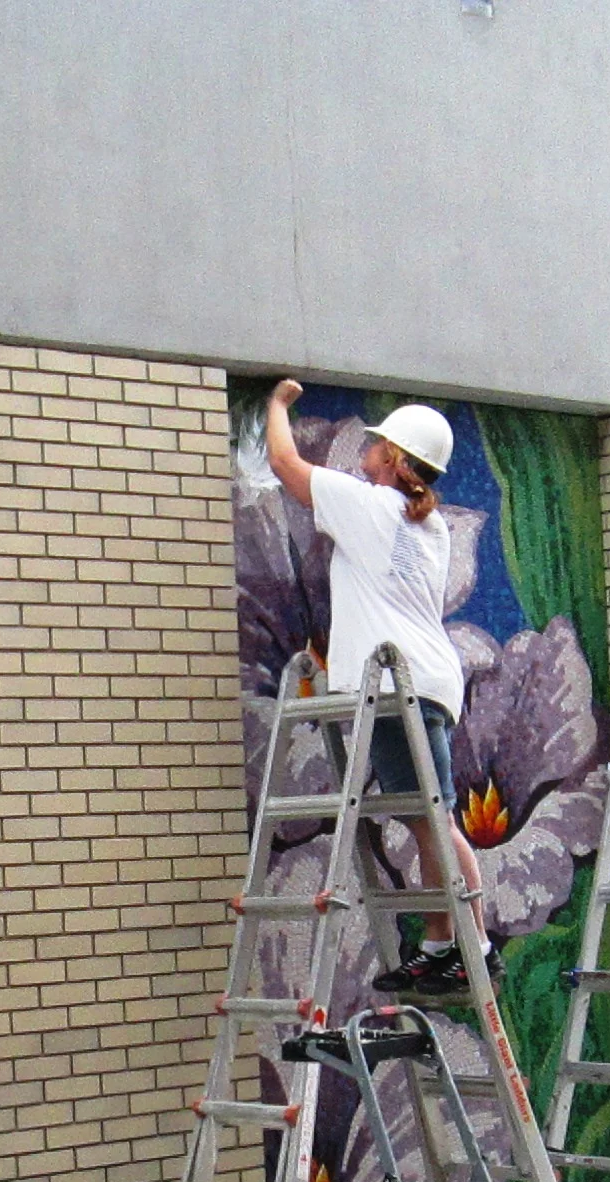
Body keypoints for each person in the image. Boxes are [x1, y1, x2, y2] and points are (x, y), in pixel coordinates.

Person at [263, 378, 487, 995]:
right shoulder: (427, 524)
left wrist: (277, 405)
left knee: (433, 820)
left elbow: (285, 462)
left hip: (396, 683)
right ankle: (443, 943)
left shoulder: (372, 506)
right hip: (426, 678)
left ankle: (474, 943)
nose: (366, 449)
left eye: (376, 444)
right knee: (425, 817)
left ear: (393, 459)